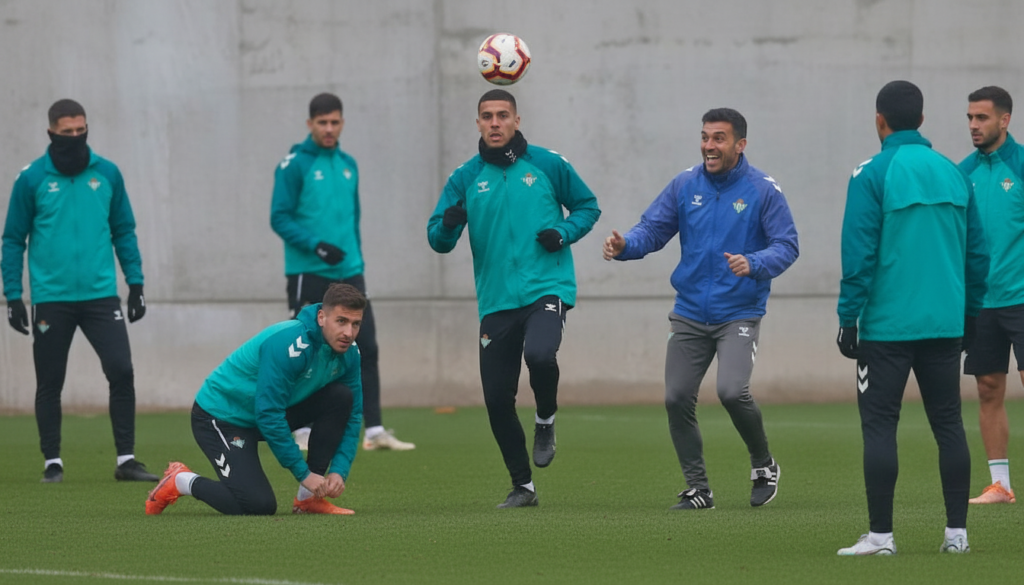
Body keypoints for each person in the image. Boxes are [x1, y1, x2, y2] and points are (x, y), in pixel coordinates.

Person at [603, 107, 797, 511]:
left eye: (719, 138)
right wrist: (626, 247)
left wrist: (755, 263)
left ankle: (764, 465)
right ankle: (698, 490)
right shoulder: (684, 184)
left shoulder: (763, 190)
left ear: (740, 145)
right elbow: (653, 229)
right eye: (706, 137)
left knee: (730, 390)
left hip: (739, 311)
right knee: (676, 398)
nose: (710, 145)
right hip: (689, 310)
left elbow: (786, 245)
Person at [835, 80, 989, 555]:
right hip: (945, 324)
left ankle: (881, 536)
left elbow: (858, 255)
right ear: (922, 120)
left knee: (879, 426)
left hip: (886, 328)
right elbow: (978, 255)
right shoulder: (953, 172)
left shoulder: (870, 173)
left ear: (879, 121)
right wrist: (968, 315)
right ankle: (956, 536)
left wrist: (848, 317)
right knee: (949, 425)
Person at [427, 89, 600, 508]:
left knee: (540, 356)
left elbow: (587, 207)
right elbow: (438, 240)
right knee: (496, 399)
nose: (495, 123)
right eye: (487, 116)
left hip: (547, 286)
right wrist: (449, 225)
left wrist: (563, 233)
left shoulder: (547, 163)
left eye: (503, 115)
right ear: (478, 123)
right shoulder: (465, 178)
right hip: (497, 301)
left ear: (517, 120)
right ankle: (523, 486)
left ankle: (545, 419)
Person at [2, 99, 157, 484]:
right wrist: (12, 295)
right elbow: (12, 240)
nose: (75, 137)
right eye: (67, 132)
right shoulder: (32, 178)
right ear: (51, 133)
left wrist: (135, 283)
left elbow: (123, 230)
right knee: (50, 380)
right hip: (51, 299)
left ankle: (127, 460)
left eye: (81, 130)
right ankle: (52, 462)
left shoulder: (107, 174)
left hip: (101, 295)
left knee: (121, 369)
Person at [145, 283, 365, 516]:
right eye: (341, 321)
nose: (348, 333)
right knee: (258, 506)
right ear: (322, 317)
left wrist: (339, 470)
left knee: (341, 397)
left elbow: (353, 415)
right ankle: (180, 480)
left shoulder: (350, 353)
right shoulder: (290, 344)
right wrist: (303, 473)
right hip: (222, 418)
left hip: (263, 415)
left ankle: (308, 500)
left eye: (355, 324)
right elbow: (269, 413)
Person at [270, 92, 412, 452]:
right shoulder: (294, 164)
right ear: (310, 124)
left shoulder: (349, 164)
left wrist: (357, 262)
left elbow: (354, 219)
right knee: (304, 351)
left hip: (350, 272)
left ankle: (375, 431)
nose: (329, 129)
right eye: (322, 123)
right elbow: (279, 217)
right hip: (308, 270)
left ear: (342, 123)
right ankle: (300, 429)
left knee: (367, 347)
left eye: (335, 122)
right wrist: (316, 245)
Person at [959, 86, 1024, 506]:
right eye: (969, 118)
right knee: (987, 387)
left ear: (1004, 120)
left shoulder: (1020, 166)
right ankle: (1000, 485)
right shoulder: (961, 171)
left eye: (981, 118)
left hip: (1021, 298)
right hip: (982, 302)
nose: (973, 126)